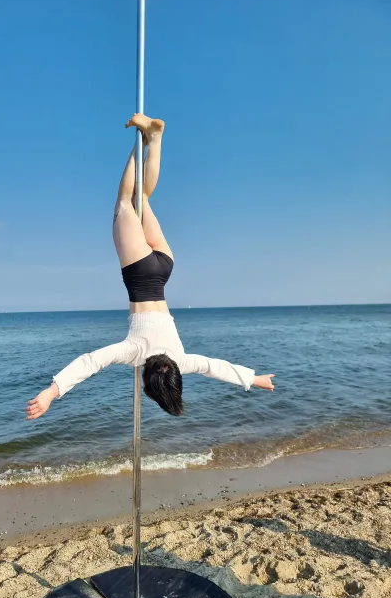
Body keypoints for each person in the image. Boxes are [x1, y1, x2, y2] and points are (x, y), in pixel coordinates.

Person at [26, 114, 275, 420]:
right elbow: (91, 361)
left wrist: (253, 379)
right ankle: (142, 141)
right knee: (125, 201)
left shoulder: (182, 360)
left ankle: (154, 138)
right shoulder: (135, 352)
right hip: (140, 272)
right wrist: (51, 392)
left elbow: (214, 367)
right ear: (146, 383)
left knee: (142, 197)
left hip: (164, 267)